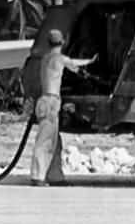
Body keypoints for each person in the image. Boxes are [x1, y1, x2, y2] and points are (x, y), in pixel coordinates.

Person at [30, 28, 92, 187]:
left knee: (54, 142)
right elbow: (74, 64)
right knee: (45, 141)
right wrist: (90, 62)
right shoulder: (59, 59)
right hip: (50, 102)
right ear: (62, 42)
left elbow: (68, 62)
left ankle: (55, 176)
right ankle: (37, 177)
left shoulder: (45, 58)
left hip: (45, 101)